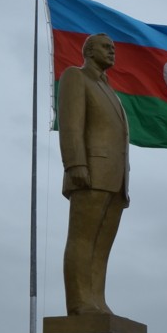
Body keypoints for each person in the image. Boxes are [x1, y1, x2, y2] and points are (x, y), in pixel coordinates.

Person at [59, 32, 132, 317]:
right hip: (89, 170)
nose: (112, 51)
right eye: (106, 47)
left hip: (115, 177)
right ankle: (79, 303)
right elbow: (71, 123)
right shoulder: (76, 77)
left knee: (102, 245)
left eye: (114, 47)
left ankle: (97, 301)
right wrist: (75, 163)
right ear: (88, 50)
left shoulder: (109, 89)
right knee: (82, 238)